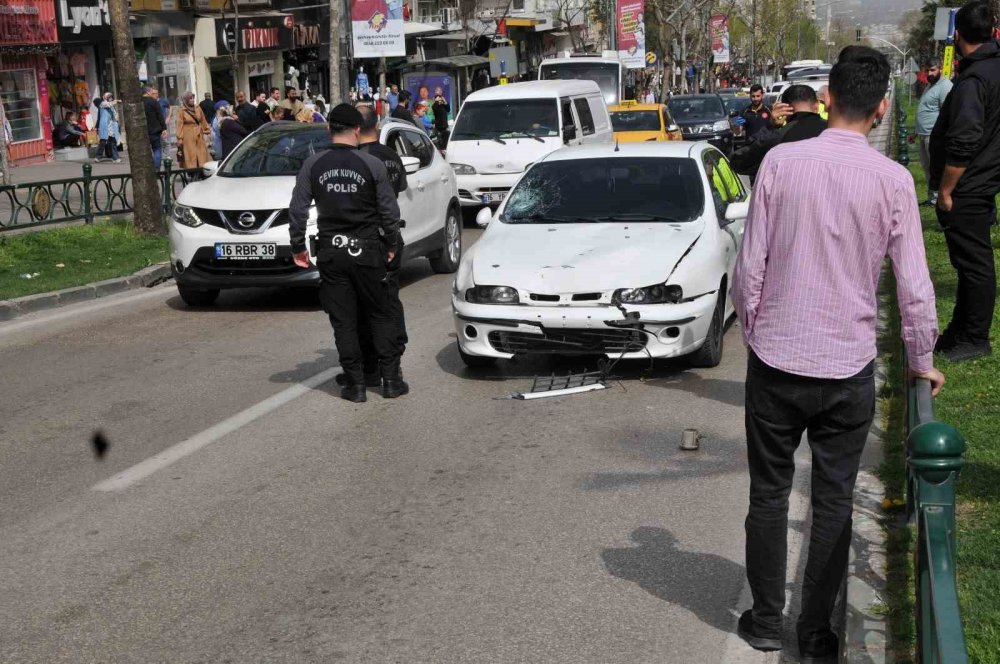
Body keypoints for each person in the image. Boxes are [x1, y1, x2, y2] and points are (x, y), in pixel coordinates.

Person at [733, 46, 943, 661]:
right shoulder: (893, 180)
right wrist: (920, 357)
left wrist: (756, 331)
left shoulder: (780, 163)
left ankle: (767, 620)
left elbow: (752, 266)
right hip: (846, 367)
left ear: (827, 95)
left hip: (775, 360)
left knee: (769, 494)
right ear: (881, 107)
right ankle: (816, 633)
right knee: (833, 498)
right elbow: (914, 285)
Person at [287, 104, 407, 402]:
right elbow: (389, 212)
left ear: (329, 129)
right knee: (380, 314)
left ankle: (355, 385)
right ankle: (390, 380)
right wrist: (392, 244)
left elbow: (298, 210)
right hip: (368, 251)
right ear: (357, 130)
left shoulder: (313, 164)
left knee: (344, 321)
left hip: (332, 253)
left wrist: (298, 247)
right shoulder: (371, 165)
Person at [929, 0, 1000, 363]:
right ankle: (960, 330)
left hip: (968, 188)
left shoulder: (975, 79)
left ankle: (974, 337)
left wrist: (946, 190)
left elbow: (964, 140)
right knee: (968, 264)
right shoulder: (990, 69)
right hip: (983, 181)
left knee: (974, 265)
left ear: (957, 35)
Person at [335, 104, 411, 388]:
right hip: (389, 236)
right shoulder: (391, 155)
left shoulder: (355, 160)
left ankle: (370, 368)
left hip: (365, 240)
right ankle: (392, 369)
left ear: (355, 127)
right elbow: (399, 190)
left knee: (364, 308)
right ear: (375, 125)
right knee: (388, 303)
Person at [730, 85, 827, 183]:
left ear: (785, 108)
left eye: (758, 96)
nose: (755, 99)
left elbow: (738, 161)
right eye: (753, 96)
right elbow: (738, 131)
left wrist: (770, 127)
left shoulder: (778, 135)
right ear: (817, 105)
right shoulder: (833, 131)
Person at [915, 64, 952, 207]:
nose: (929, 73)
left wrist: (941, 134)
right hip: (923, 134)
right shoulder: (929, 86)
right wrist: (916, 131)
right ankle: (932, 198)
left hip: (934, 135)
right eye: (927, 70)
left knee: (936, 167)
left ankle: (939, 197)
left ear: (940, 69)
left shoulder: (945, 86)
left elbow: (946, 112)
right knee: (927, 166)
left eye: (933, 69)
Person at [176, 91, 211, 168]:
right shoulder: (182, 110)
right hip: (187, 134)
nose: (192, 100)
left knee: (201, 152)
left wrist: (207, 130)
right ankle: (191, 169)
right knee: (191, 153)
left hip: (198, 133)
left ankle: (202, 167)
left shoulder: (198, 108)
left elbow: (203, 120)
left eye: (193, 98)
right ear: (186, 100)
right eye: (190, 98)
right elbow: (179, 124)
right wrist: (180, 138)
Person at [142, 86, 168, 170]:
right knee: (157, 149)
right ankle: (156, 169)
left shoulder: (139, 102)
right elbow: (160, 115)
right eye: (152, 92)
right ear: (148, 92)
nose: (153, 94)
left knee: (144, 151)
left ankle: (146, 169)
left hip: (142, 130)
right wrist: (164, 128)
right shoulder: (153, 101)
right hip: (154, 130)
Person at [95, 92, 121, 163]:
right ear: (105, 98)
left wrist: (116, 117)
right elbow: (108, 104)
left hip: (112, 127)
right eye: (109, 97)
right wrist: (117, 101)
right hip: (105, 126)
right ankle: (98, 156)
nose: (111, 98)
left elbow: (115, 116)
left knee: (113, 142)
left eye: (111, 97)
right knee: (103, 142)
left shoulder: (112, 107)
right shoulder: (102, 104)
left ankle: (115, 157)